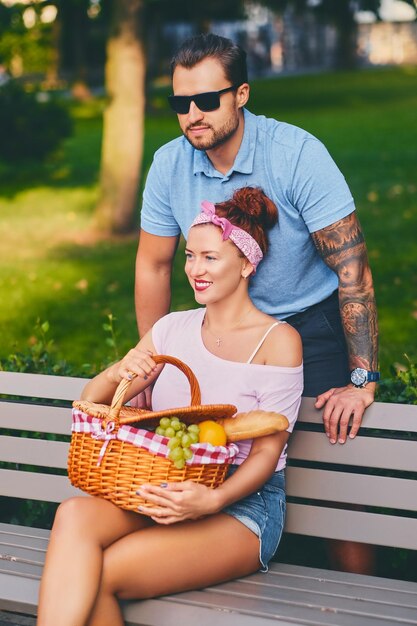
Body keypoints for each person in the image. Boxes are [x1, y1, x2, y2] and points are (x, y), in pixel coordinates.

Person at [135, 33, 379, 574]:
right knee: (211, 459)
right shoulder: (168, 165)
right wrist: (151, 361)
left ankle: (360, 597)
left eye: (207, 100)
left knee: (336, 482)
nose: (192, 114)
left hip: (305, 327)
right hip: (218, 333)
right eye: (180, 103)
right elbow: (153, 265)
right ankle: (224, 571)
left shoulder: (296, 154)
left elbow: (352, 268)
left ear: (241, 94)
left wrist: (362, 379)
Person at [37, 187, 303, 626]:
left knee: (104, 574)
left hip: (241, 505)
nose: (195, 270)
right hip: (164, 482)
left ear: (247, 264)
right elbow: (91, 403)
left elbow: (267, 456)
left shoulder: (277, 342)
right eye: (189, 256)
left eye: (210, 258)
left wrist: (211, 501)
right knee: (74, 515)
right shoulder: (171, 329)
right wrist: (117, 370)